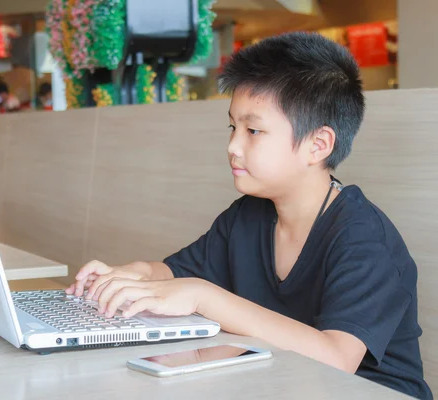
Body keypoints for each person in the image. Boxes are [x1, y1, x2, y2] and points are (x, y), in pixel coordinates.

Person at [65, 32, 432, 399]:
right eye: (233, 127)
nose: (233, 146)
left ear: (317, 145)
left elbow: (336, 358)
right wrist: (136, 275)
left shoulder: (365, 240)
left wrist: (201, 297)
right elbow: (179, 273)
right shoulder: (250, 214)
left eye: (253, 131)